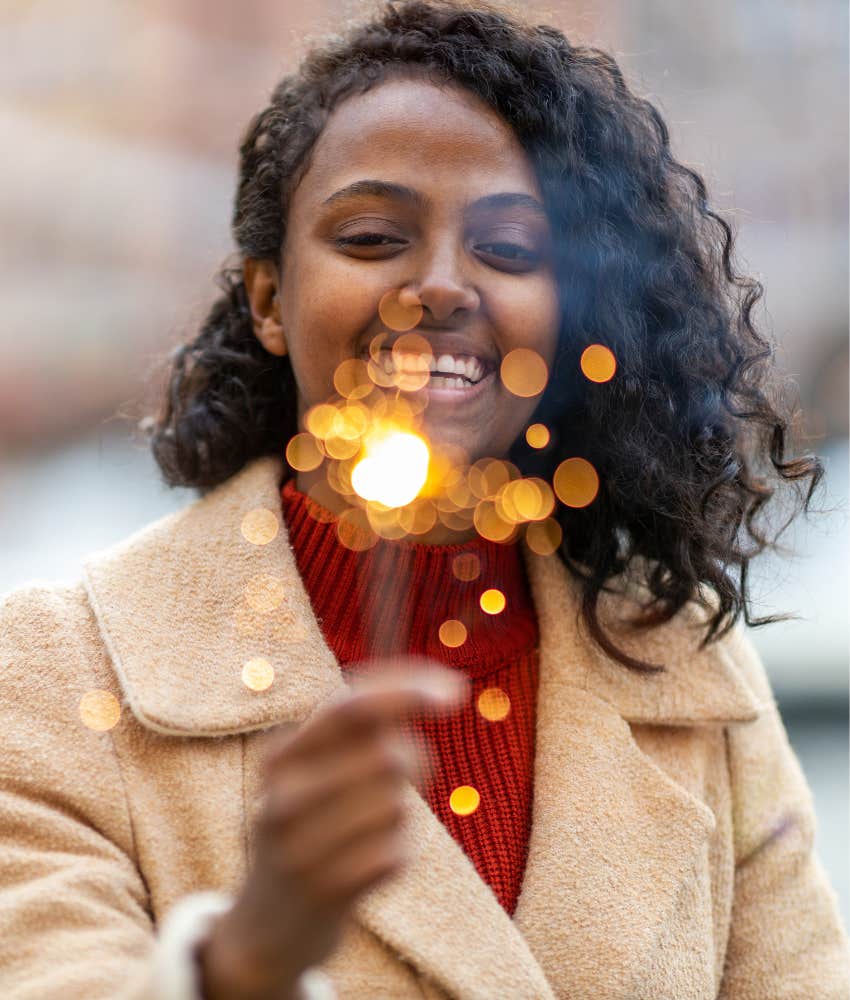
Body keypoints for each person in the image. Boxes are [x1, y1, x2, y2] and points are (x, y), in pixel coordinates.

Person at [1, 2, 848, 998]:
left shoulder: (683, 661)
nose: (441, 286)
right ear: (270, 300)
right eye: (370, 236)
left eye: (511, 249)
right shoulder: (55, 675)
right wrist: (244, 962)